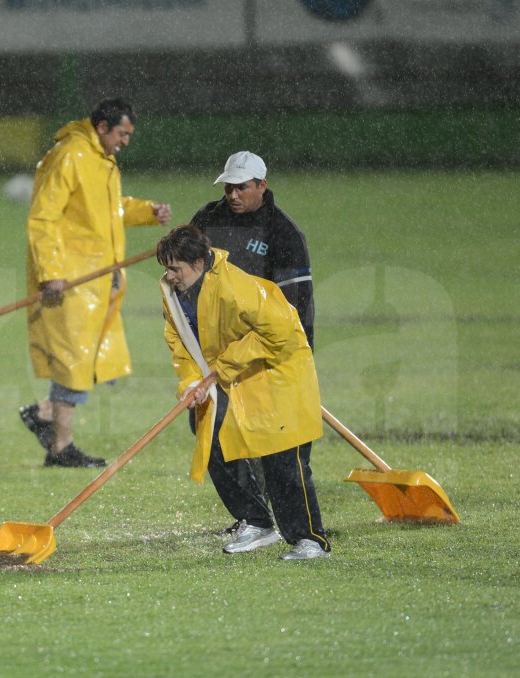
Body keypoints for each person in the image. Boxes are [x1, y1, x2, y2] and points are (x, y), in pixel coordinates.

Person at [157, 224, 329, 560]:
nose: (170, 275)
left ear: (198, 263)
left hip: (277, 372)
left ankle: (310, 539)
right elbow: (178, 339)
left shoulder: (235, 286)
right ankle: (256, 520)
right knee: (211, 436)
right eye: (166, 268)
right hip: (231, 378)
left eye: (175, 268)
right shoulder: (171, 292)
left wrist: (223, 366)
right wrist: (191, 380)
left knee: (282, 459)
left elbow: (280, 332)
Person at [20, 98, 172, 467]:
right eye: (122, 133)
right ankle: (61, 447)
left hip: (100, 278)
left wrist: (146, 212)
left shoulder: (100, 158)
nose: (125, 142)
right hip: (71, 280)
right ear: (102, 127)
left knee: (96, 363)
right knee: (76, 363)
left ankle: (44, 414)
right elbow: (43, 219)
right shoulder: (69, 155)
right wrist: (51, 272)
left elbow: (107, 210)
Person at [189, 151, 316, 552]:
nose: (233, 194)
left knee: (280, 449)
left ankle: (305, 534)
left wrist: (293, 360)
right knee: (211, 432)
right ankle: (255, 519)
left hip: (266, 353)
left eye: (242, 186)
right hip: (217, 354)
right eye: (229, 186)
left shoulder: (284, 233)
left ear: (262, 185)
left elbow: (296, 306)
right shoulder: (206, 221)